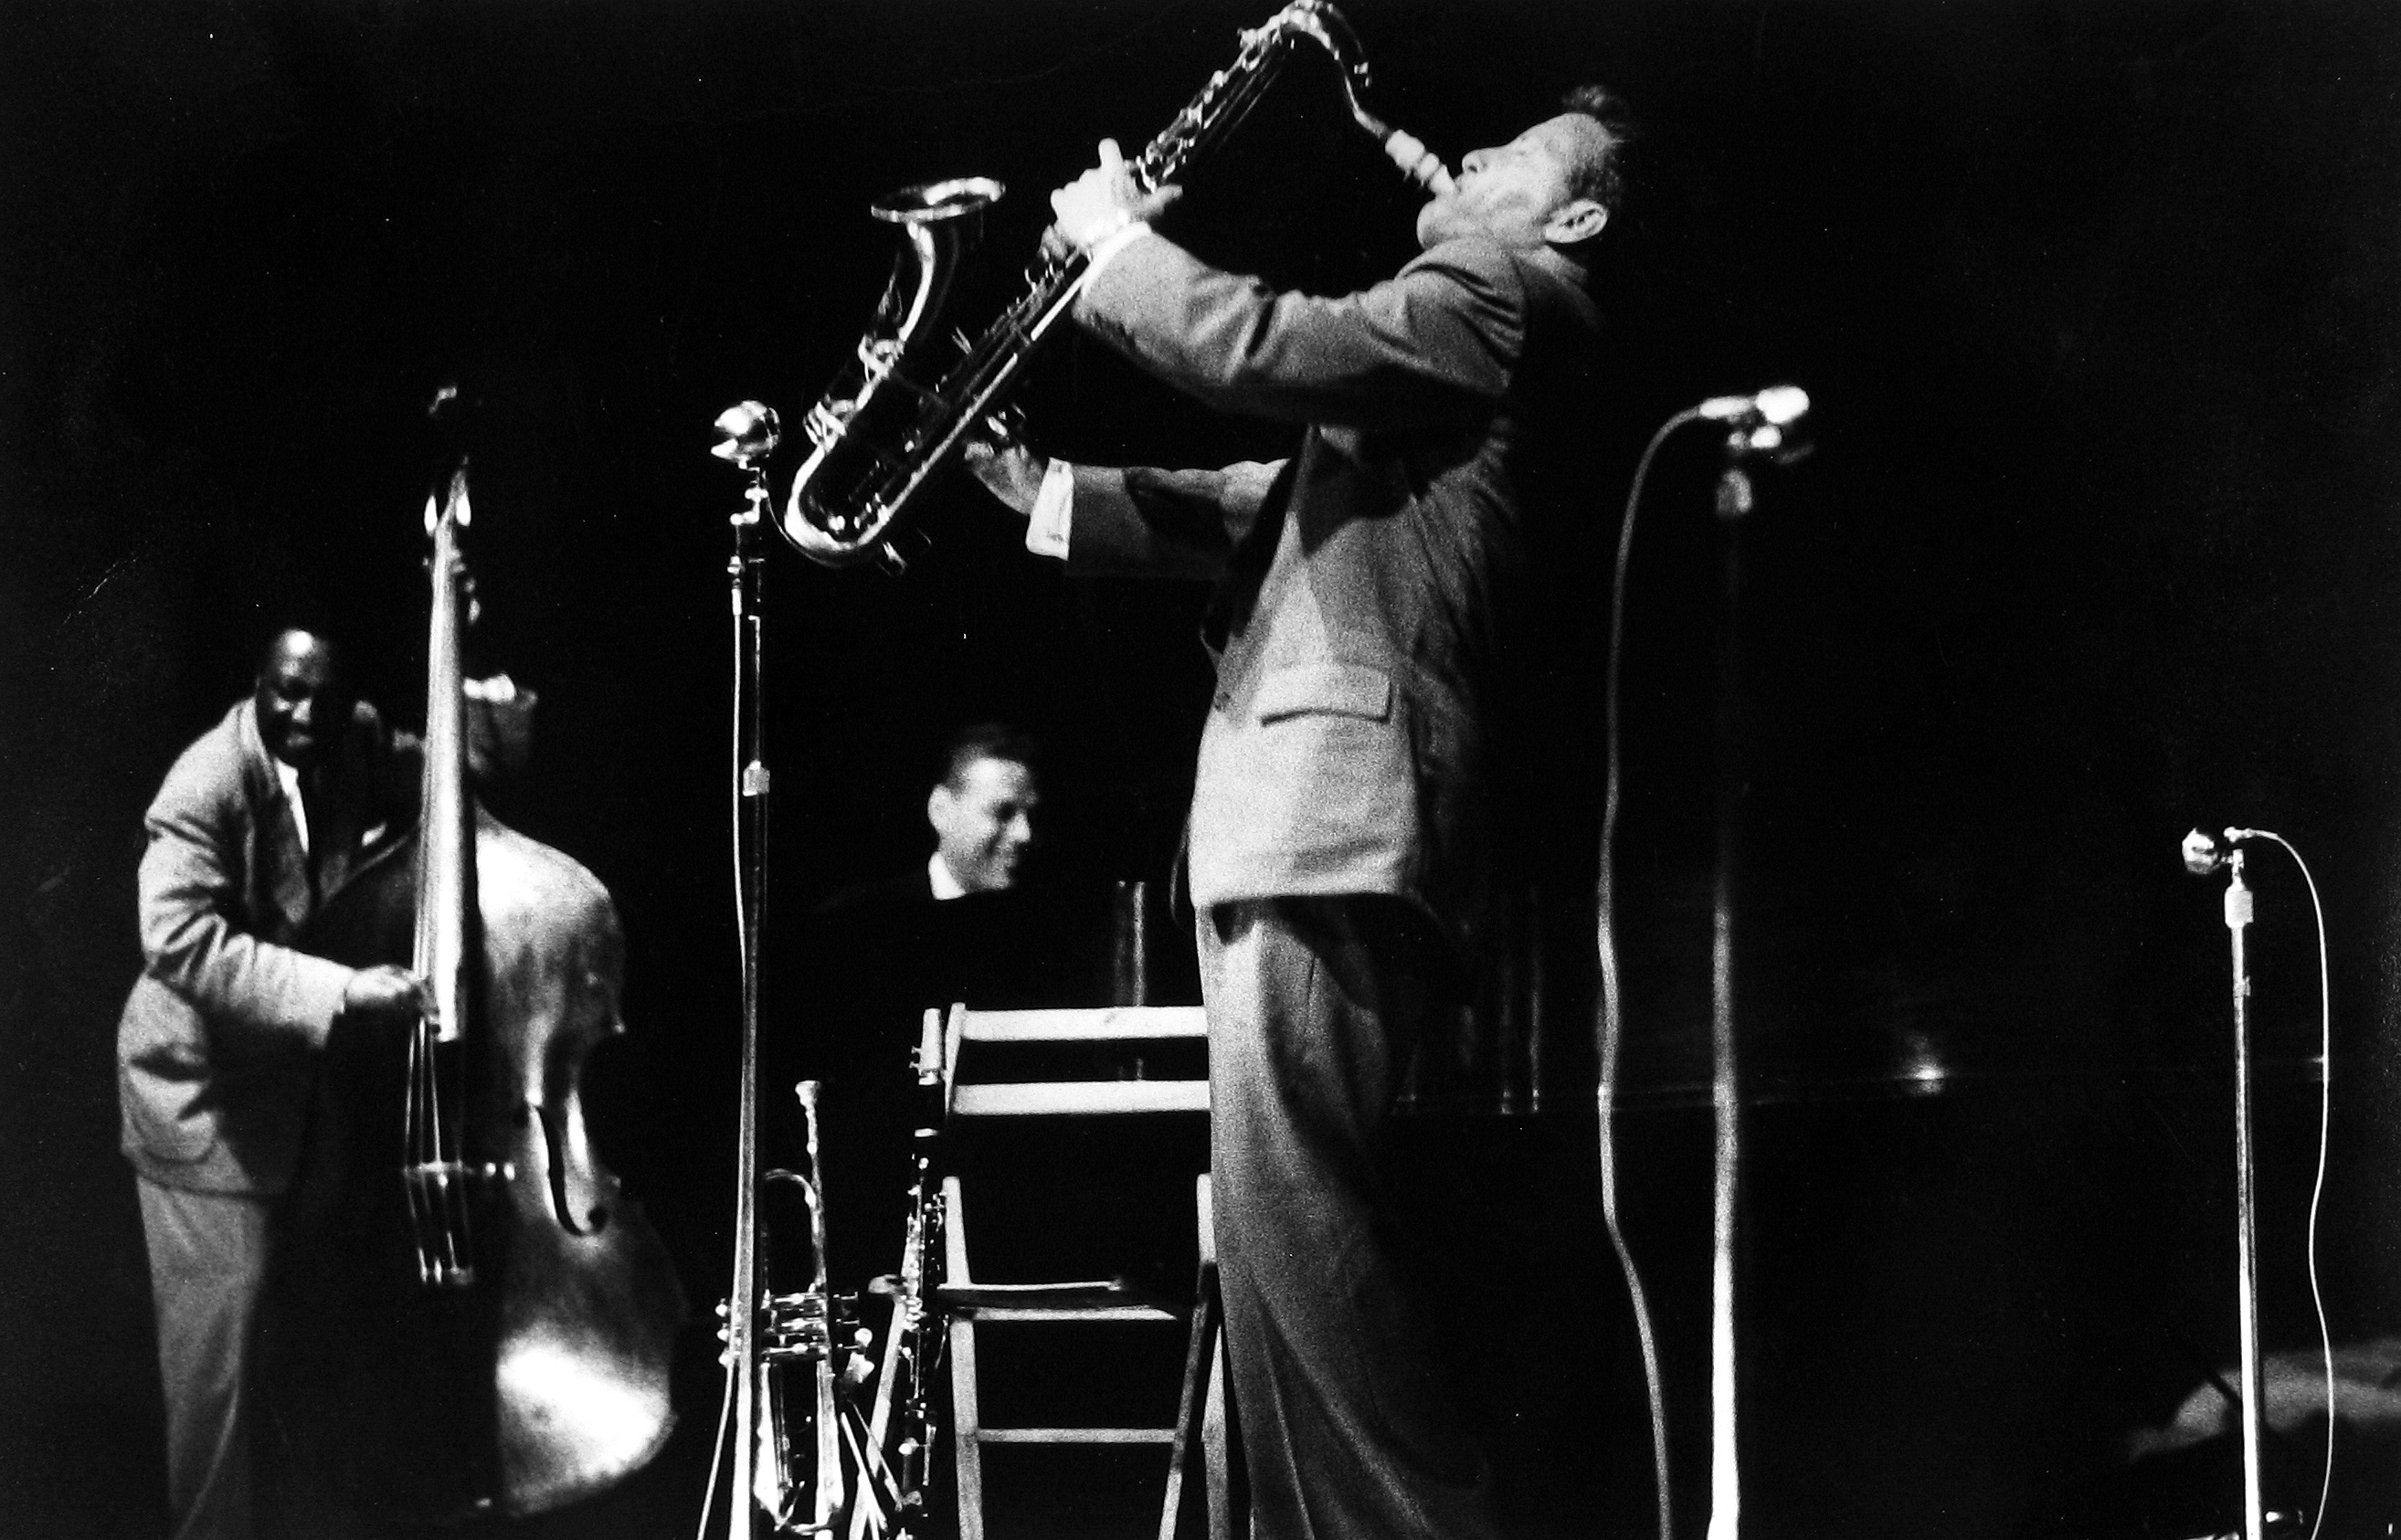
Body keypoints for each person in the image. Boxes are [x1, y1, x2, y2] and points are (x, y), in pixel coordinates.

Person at [969, 87, 1630, 1540]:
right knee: (1277, 1269)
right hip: (1312, 823)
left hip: (1335, 821)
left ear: (1574, 216)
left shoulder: (1500, 290)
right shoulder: (1443, 383)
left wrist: (1121, 254)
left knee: (1307, 1260)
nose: (1466, 152)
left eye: (1515, 155)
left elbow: (1284, 349)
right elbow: (1266, 500)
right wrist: (1047, 491)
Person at [117, 628, 428, 1540]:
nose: (304, 716)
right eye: (287, 693)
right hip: (204, 1106)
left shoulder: (353, 737)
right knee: (219, 1394)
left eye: (323, 699)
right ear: (258, 684)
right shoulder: (205, 783)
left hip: (294, 1102)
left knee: (292, 1377)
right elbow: (177, 942)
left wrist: (483, 715)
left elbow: (440, 769)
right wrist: (341, 990)